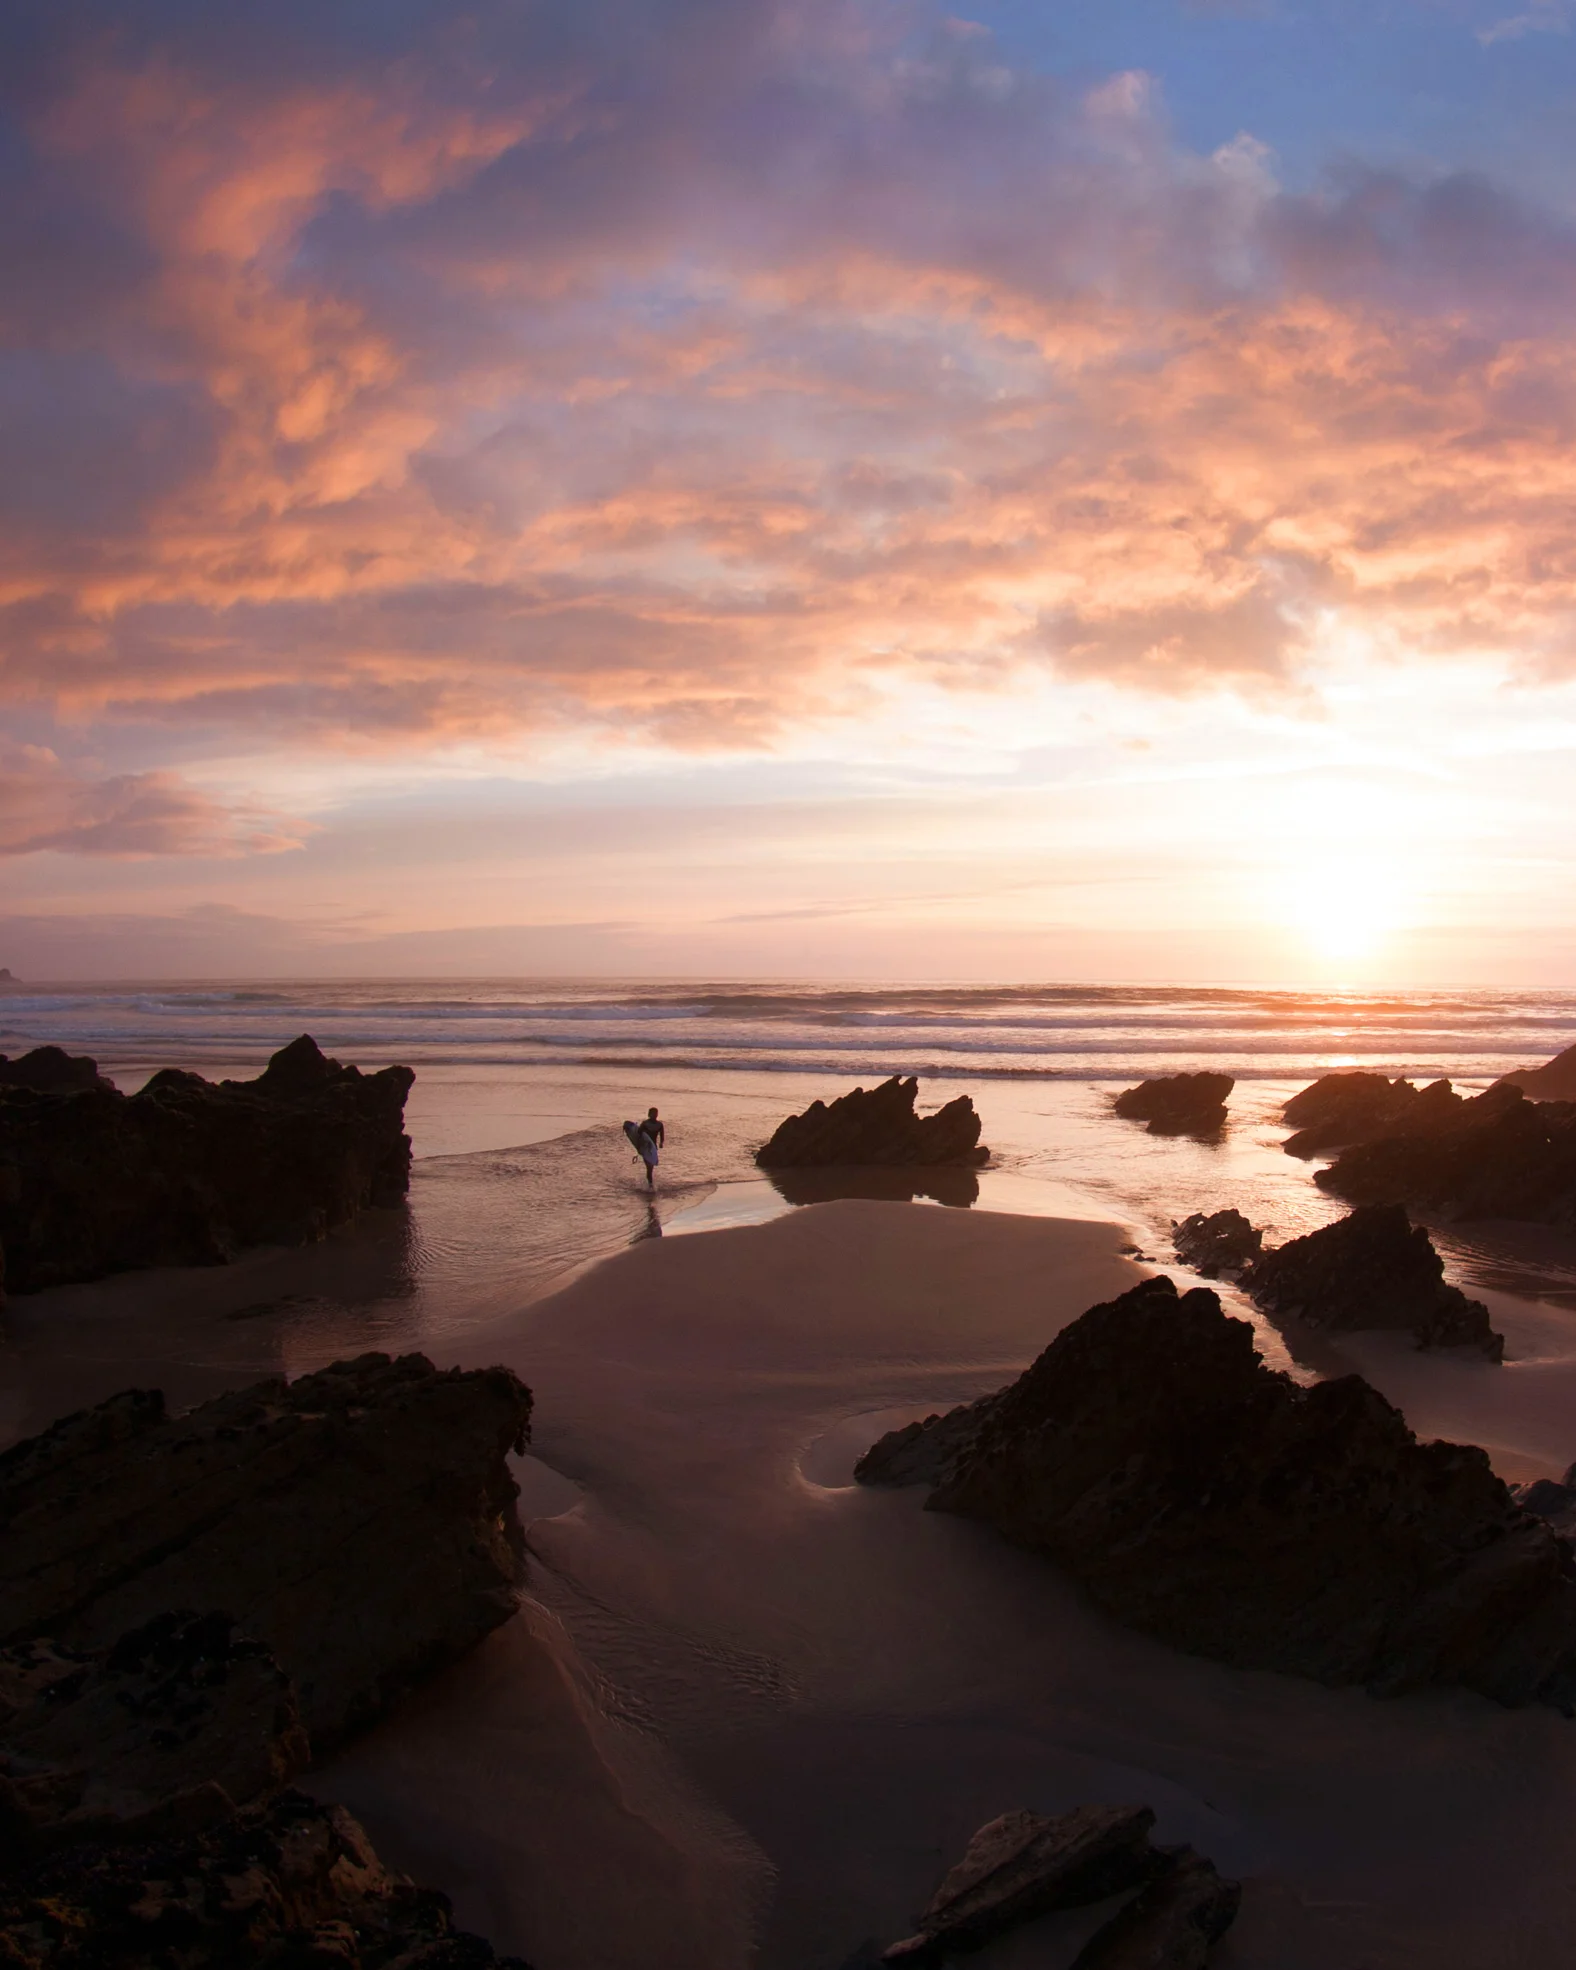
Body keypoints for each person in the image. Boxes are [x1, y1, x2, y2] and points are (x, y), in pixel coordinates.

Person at [636, 1107, 665, 1188]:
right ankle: (650, 1185)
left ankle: (649, 1184)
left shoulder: (659, 1124)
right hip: (645, 1147)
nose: (655, 1115)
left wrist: (661, 1143)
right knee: (649, 1167)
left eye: (656, 1113)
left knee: (650, 1168)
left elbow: (662, 1135)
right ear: (649, 1114)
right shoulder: (645, 1123)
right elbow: (638, 1135)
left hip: (653, 1148)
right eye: (653, 1113)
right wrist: (638, 1147)